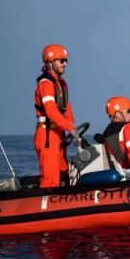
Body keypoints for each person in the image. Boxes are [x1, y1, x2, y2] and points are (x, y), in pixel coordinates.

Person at [33, 44, 76, 188]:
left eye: (66, 60)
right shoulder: (46, 84)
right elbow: (51, 111)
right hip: (47, 134)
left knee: (63, 171)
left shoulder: (62, 84)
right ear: (50, 63)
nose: (65, 64)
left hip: (59, 132)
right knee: (51, 177)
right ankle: (47, 202)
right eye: (61, 60)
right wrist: (70, 128)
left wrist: (71, 126)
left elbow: (66, 107)